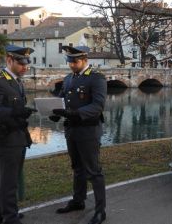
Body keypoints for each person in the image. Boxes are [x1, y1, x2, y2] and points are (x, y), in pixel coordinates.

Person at [49, 45, 107, 224]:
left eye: (75, 61)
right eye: (70, 61)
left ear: (85, 60)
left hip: (88, 130)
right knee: (77, 168)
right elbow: (61, 100)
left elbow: (97, 106)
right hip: (72, 130)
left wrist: (74, 113)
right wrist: (54, 112)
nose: (72, 65)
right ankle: (78, 200)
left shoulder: (96, 79)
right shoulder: (68, 79)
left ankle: (100, 211)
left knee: (94, 171)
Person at [0, 45, 37, 224]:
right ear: (9, 60)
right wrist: (15, 111)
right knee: (9, 183)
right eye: (21, 63)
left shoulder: (16, 81)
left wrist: (21, 112)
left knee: (7, 180)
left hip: (17, 137)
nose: (25, 67)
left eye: (26, 63)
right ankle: (11, 218)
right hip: (4, 139)